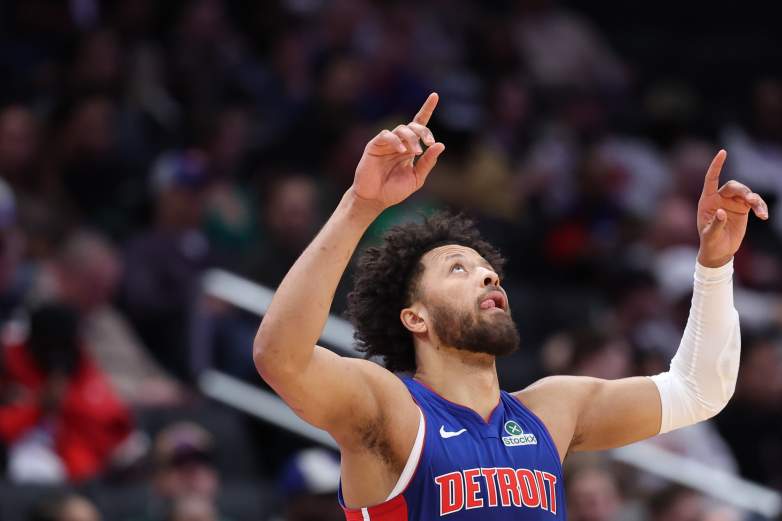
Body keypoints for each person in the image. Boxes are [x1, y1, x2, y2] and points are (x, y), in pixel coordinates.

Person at [253, 93, 769, 520]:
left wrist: (715, 265)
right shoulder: (391, 410)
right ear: (415, 317)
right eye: (458, 268)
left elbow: (700, 391)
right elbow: (281, 357)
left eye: (487, 268)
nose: (486, 273)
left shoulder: (552, 409)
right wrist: (360, 206)